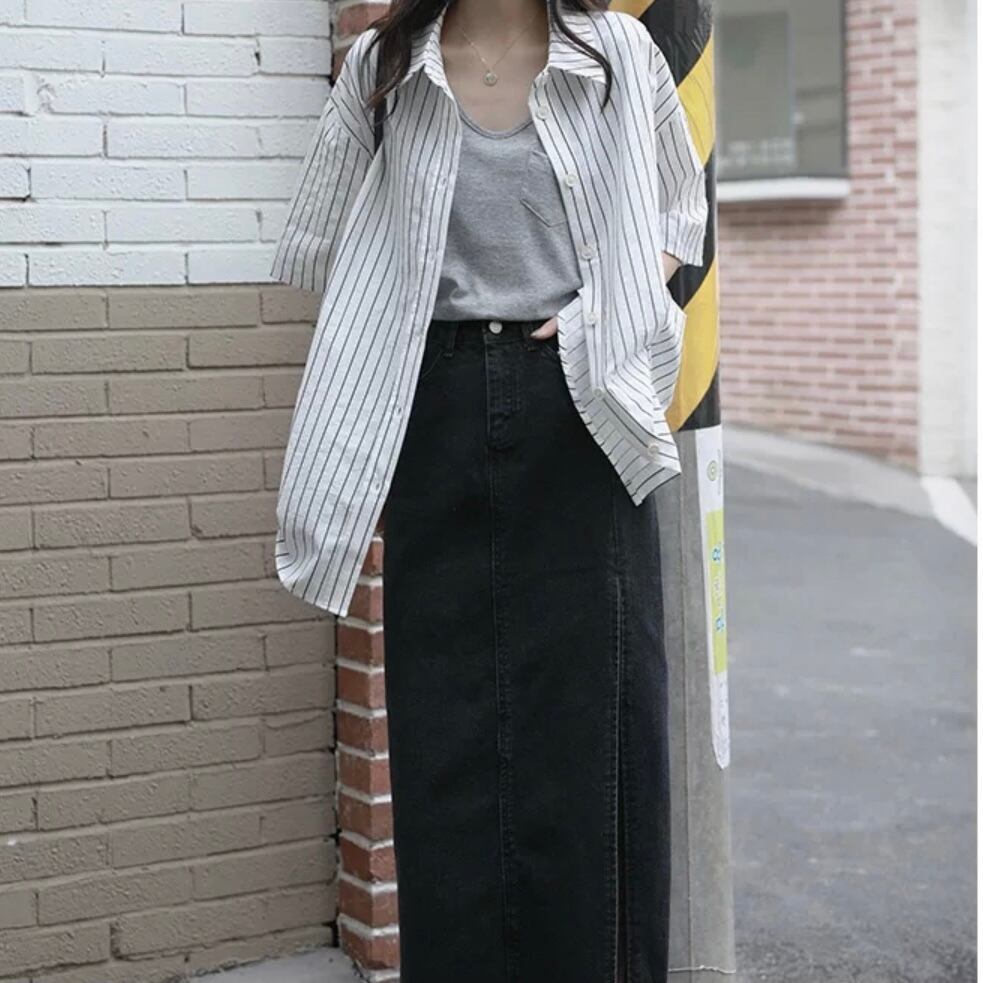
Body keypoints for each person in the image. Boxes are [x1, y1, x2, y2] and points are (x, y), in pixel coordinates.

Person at [268, 1, 708, 980]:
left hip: (583, 408)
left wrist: (604, 309)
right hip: (439, 411)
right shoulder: (385, 68)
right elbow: (325, 239)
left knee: (595, 736)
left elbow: (680, 212)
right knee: (447, 737)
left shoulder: (615, 54)